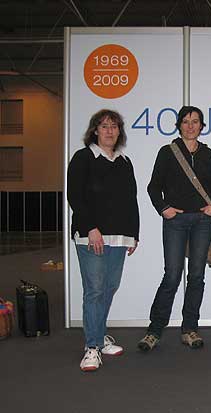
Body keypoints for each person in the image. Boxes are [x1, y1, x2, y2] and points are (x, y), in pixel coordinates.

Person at [138, 106, 211, 351]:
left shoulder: (207, 154)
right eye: (185, 121)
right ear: (179, 125)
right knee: (172, 275)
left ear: (202, 126)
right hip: (175, 222)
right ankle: (154, 331)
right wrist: (164, 208)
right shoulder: (167, 152)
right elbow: (154, 187)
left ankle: (190, 329)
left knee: (196, 276)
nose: (190, 126)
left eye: (195, 121)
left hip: (202, 222)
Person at [68, 109, 139, 372]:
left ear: (119, 131)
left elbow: (130, 199)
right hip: (91, 236)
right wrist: (91, 228)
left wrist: (133, 234)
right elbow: (75, 196)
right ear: (95, 130)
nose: (110, 131)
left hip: (119, 237)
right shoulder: (83, 158)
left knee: (109, 287)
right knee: (95, 290)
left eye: (114, 126)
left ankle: (99, 335)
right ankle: (92, 346)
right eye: (104, 126)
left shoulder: (124, 161)